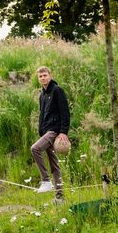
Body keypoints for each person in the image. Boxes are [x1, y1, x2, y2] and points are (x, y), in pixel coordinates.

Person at [32, 66, 70, 201]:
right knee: (54, 165)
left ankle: (46, 180)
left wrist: (63, 132)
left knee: (35, 148)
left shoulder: (57, 91)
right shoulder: (42, 95)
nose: (43, 78)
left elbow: (65, 112)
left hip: (54, 131)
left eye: (45, 75)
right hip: (46, 132)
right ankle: (60, 197)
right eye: (40, 76)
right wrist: (41, 131)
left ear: (50, 75)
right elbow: (42, 115)